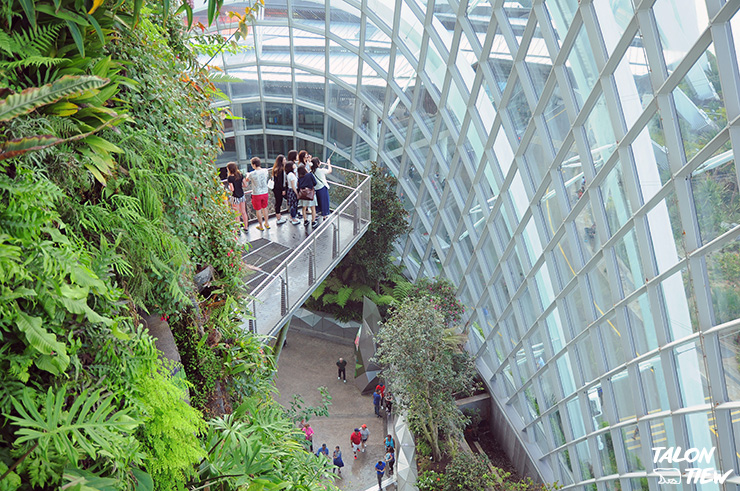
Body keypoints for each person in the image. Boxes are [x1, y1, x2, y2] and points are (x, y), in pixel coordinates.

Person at [244, 157, 270, 230]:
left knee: (258, 210)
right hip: (265, 192)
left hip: (256, 194)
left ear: (254, 165)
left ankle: (261, 226)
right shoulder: (265, 171)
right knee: (265, 208)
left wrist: (247, 175)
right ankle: (267, 223)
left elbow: (247, 180)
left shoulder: (252, 174)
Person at [226, 162, 248, 230]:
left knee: (237, 214)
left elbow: (232, 189)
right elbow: (245, 185)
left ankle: (238, 229)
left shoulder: (230, 178)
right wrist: (240, 185)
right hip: (242, 195)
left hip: (235, 196)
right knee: (243, 212)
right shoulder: (240, 175)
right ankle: (246, 227)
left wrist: (229, 188)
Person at [271, 155, 287, 225]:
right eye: (284, 160)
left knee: (278, 202)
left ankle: (279, 216)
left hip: (275, 188)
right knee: (278, 203)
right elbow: (282, 182)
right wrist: (283, 189)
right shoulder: (281, 170)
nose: (285, 161)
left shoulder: (275, 169)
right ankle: (278, 218)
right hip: (279, 189)